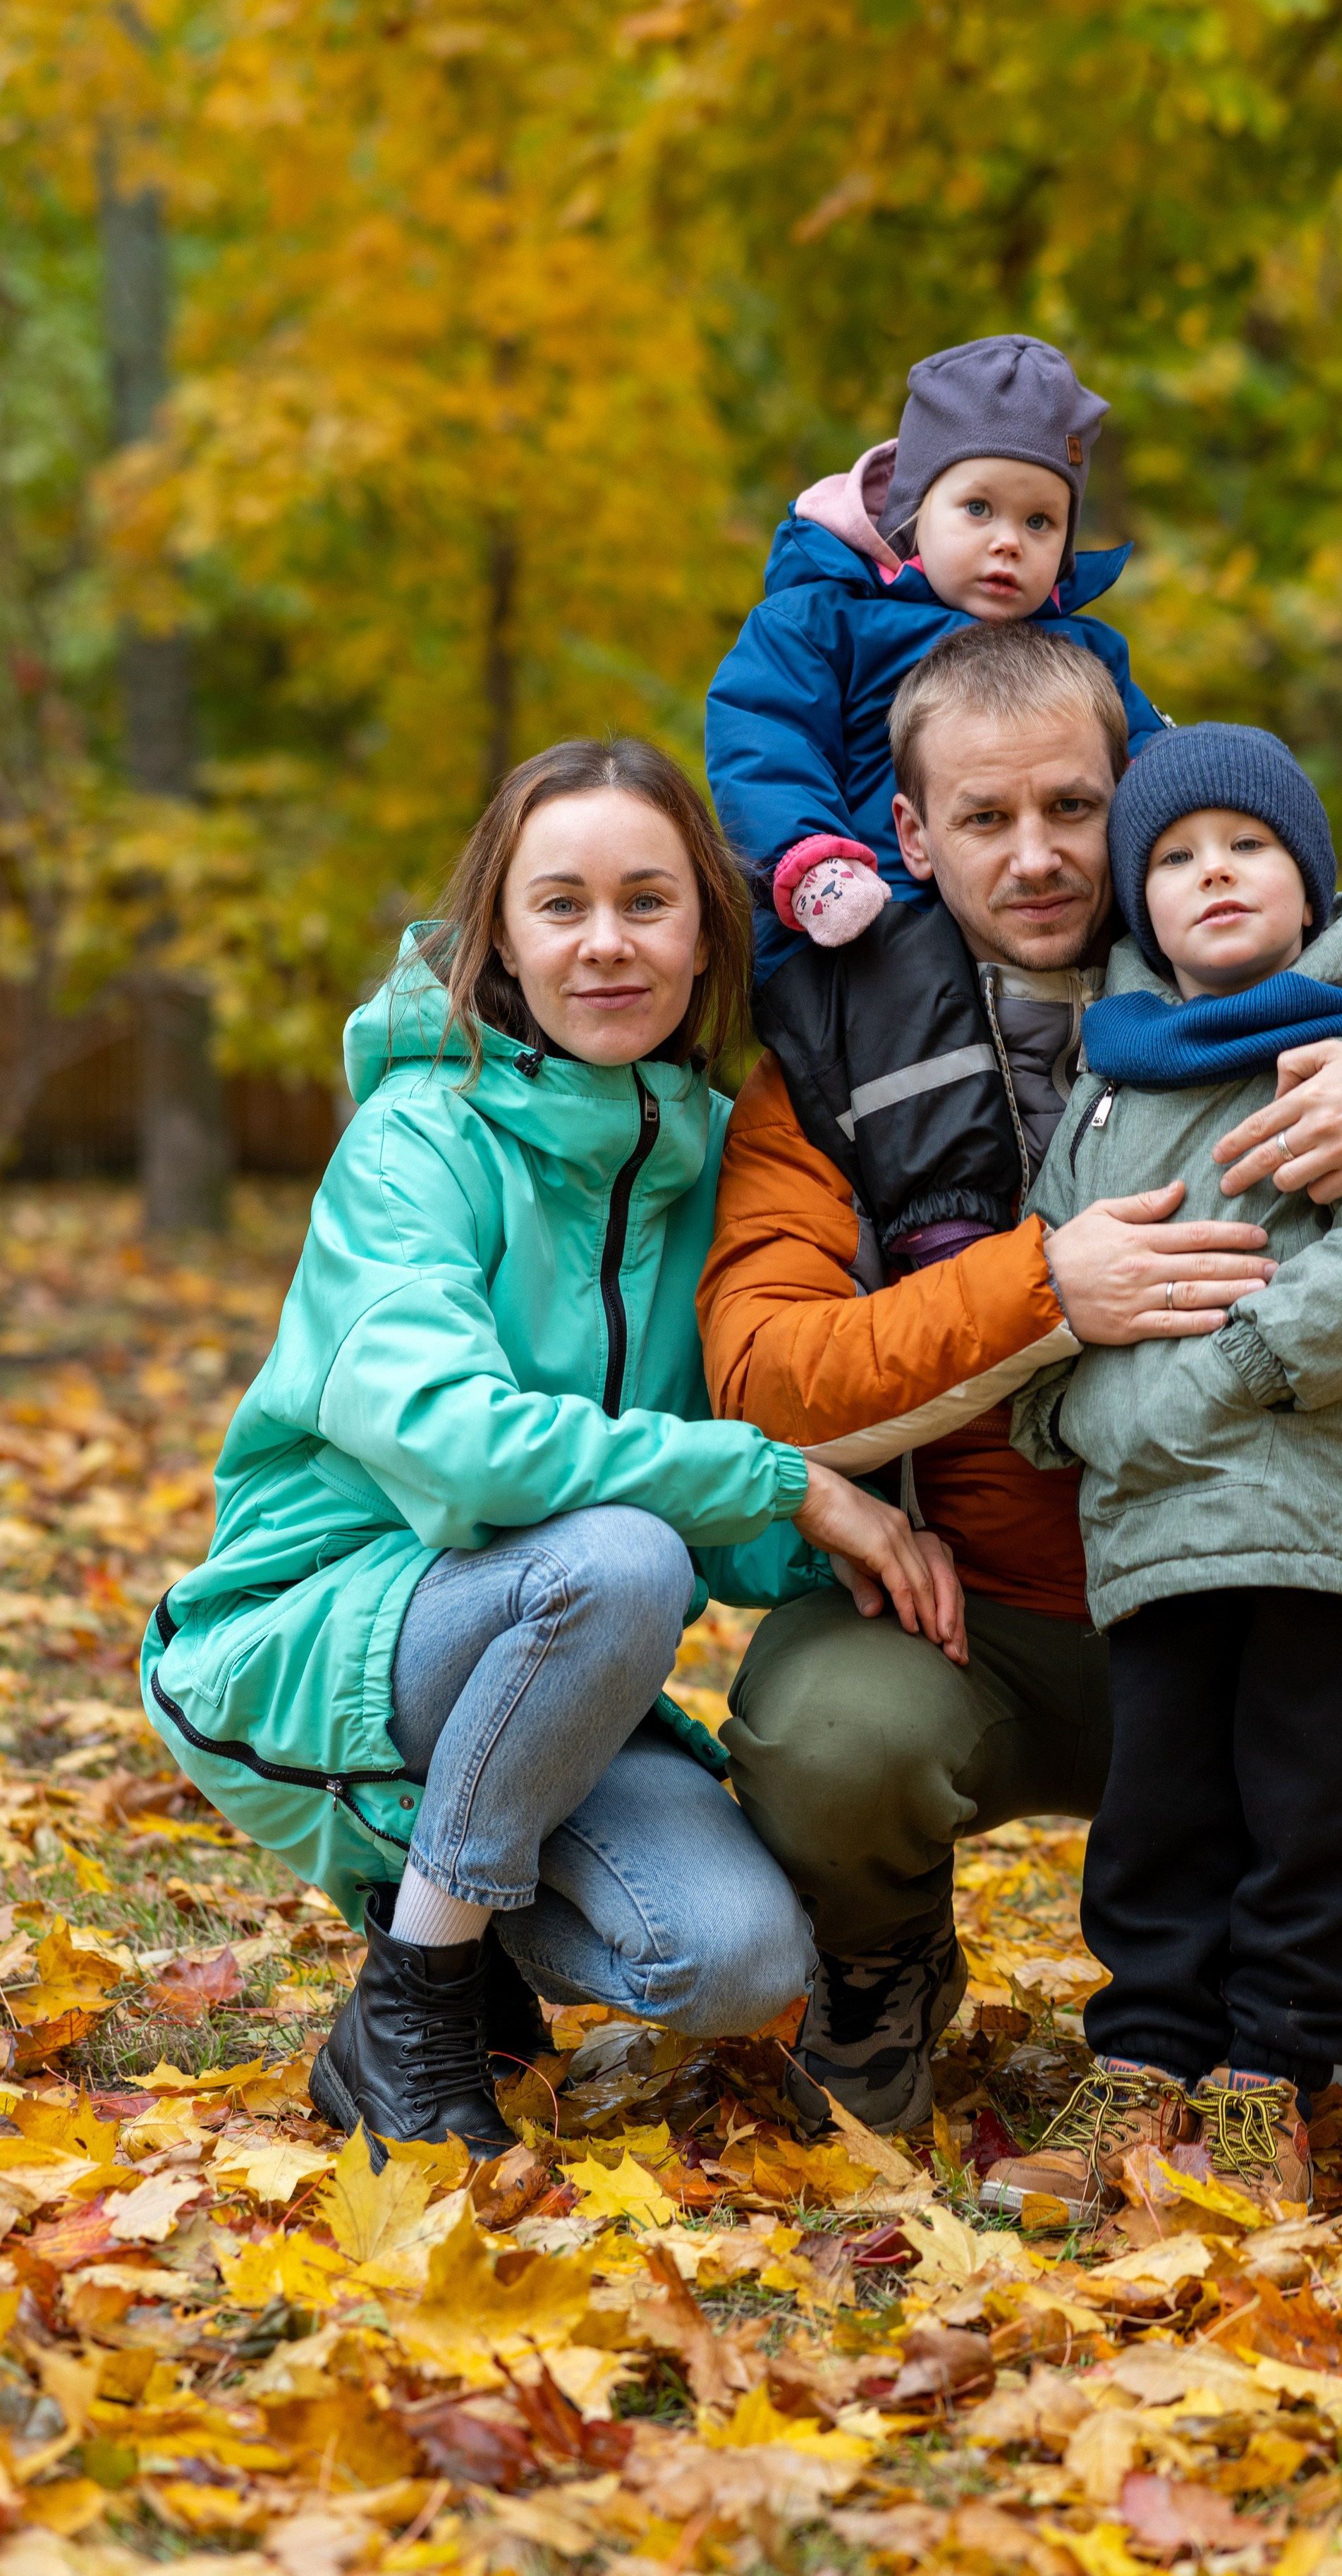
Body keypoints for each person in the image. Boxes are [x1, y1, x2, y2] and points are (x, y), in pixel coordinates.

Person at [699, 622, 1342, 2137]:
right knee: (826, 1744)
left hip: (1244, 1589)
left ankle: (1277, 2010)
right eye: (984, 820)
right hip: (966, 1622)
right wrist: (1045, 1290)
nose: (1040, 855)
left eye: (1071, 808)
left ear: (1123, 800)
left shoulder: (1265, 983)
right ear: (911, 836)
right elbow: (767, 1379)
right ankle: (883, 1966)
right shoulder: (827, 1060)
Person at [140, 738, 961, 2159]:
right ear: (501, 939)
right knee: (619, 1552)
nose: (606, 944)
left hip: (566, 1669)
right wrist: (777, 1482)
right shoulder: (416, 1139)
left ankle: (457, 1958)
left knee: (729, 1964)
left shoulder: (723, 1156)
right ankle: (419, 2000)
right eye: (561, 904)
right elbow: (459, 1452)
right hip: (325, 1635)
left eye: (647, 903)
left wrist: (872, 1529)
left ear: (709, 931)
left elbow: (747, 1513)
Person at [985, 724, 1342, 2223]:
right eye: (1174, 857)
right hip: (1154, 1526)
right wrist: (1071, 1421)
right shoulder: (1104, 1086)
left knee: (1314, 1800)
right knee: (1163, 1808)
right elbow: (1053, 1283)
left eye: (1245, 847)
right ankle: (1140, 2061)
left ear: (1307, 875)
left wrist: (1248, 1360)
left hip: (1328, 1516)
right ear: (1137, 905)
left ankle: (1273, 2069)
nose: (1212, 874)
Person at [707, 333, 1164, 1275]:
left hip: (1014, 925)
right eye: (980, 509)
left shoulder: (1083, 653)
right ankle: (945, 1228)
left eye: (1042, 524)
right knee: (910, 984)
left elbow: (1155, 759)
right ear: (912, 513)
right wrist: (810, 859)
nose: (1010, 542)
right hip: (858, 917)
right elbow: (764, 740)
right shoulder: (826, 617)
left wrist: (1208, 836)